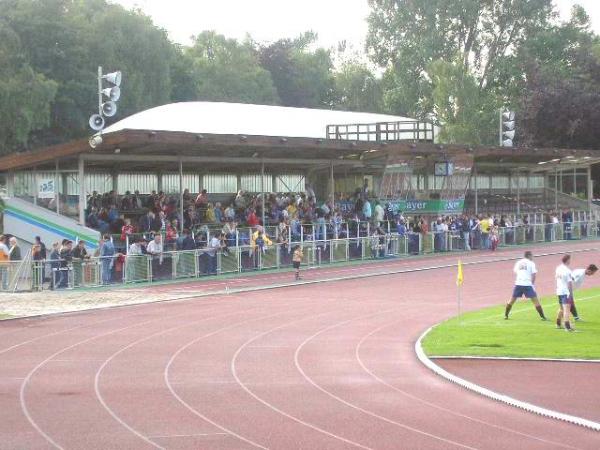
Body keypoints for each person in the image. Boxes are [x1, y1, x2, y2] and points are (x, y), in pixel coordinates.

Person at [505, 251, 547, 320]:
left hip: (518, 283)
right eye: (532, 256)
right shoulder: (531, 263)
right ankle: (543, 317)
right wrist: (532, 284)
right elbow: (534, 274)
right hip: (527, 284)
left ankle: (506, 315)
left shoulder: (519, 262)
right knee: (535, 301)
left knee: (512, 300)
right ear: (529, 256)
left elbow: (516, 271)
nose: (532, 257)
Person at [555, 255, 574, 331]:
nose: (570, 261)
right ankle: (567, 327)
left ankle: (558, 324)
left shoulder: (558, 268)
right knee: (567, 309)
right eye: (570, 260)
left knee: (561, 308)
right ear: (567, 260)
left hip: (559, 290)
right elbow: (569, 283)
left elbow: (558, 278)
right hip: (566, 291)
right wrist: (571, 293)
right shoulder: (568, 270)